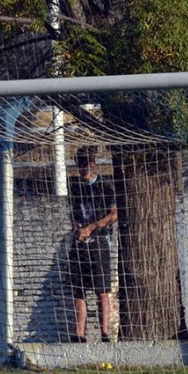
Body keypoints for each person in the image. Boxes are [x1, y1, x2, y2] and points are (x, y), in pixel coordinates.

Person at [69, 147, 117, 343]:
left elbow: (113, 214)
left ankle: (105, 333)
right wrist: (79, 228)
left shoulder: (105, 187)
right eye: (80, 163)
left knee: (102, 290)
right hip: (80, 243)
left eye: (87, 163)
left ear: (94, 163)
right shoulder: (75, 188)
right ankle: (79, 334)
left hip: (100, 242)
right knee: (78, 289)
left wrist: (92, 227)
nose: (84, 167)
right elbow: (73, 214)